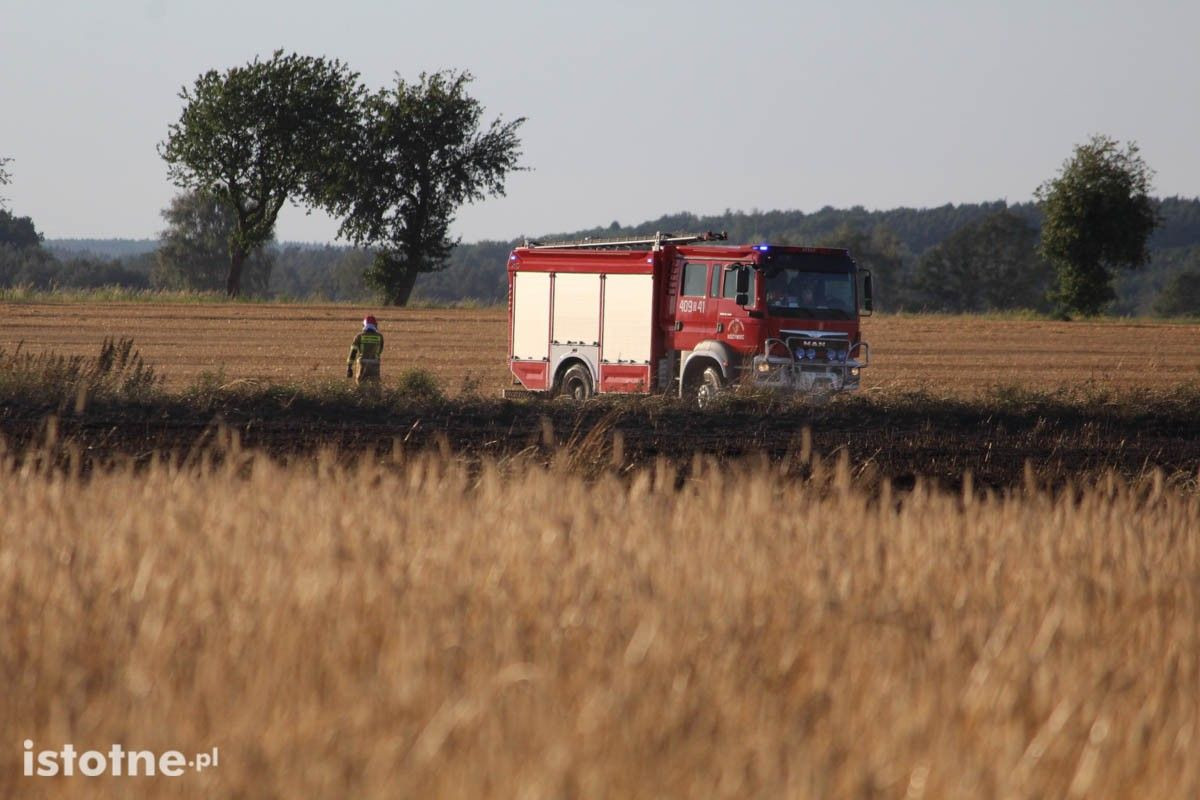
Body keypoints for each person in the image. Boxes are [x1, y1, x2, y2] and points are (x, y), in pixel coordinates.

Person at [347, 315, 384, 384]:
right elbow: (380, 351)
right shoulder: (380, 337)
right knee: (375, 385)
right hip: (375, 363)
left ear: (364, 325)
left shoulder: (359, 336)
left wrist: (349, 367)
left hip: (362, 363)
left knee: (361, 384)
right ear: (375, 325)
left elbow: (353, 352)